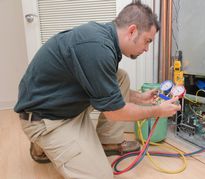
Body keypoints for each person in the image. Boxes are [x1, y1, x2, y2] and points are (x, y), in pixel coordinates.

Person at [14, 2, 181, 179]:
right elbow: (114, 113)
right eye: (147, 41)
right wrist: (157, 111)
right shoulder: (97, 49)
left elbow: (104, 87)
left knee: (121, 77)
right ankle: (42, 143)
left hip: (63, 104)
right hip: (45, 119)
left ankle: (107, 143)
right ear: (132, 31)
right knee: (102, 176)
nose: (147, 48)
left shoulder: (104, 38)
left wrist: (140, 97)